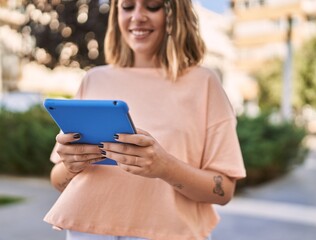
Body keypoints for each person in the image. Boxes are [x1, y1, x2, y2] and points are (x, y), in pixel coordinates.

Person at [44, 0, 246, 239]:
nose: (137, 17)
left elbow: (223, 191)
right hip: (85, 231)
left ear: (174, 14)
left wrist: (165, 167)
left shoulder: (204, 83)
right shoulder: (94, 79)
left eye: (152, 6)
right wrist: (72, 165)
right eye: (127, 7)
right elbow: (58, 180)